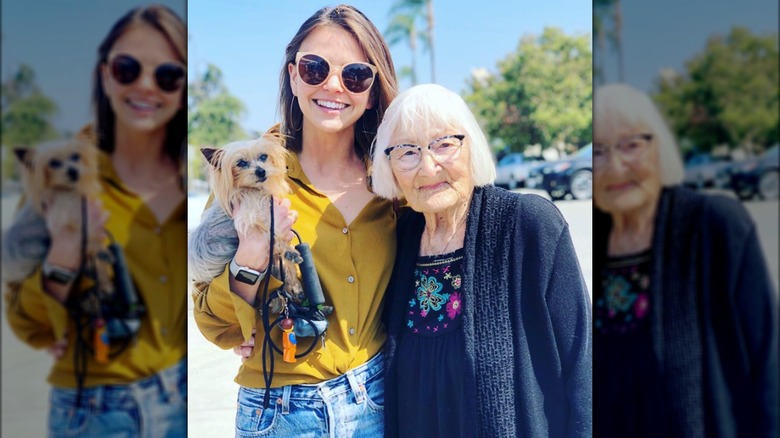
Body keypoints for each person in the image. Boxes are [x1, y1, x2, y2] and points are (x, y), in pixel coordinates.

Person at [189, 4, 398, 437]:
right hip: (281, 410)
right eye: (315, 67)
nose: (333, 85)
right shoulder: (242, 180)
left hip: (383, 397)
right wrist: (250, 259)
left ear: (374, 89)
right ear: (293, 76)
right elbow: (215, 323)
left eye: (355, 74)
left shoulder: (396, 176)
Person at [2, 4, 188, 437]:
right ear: (105, 74)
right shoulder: (60, 176)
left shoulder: (193, 175)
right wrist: (62, 260)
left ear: (181, 87)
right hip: (96, 406)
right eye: (127, 69)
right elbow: (29, 319)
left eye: (167, 75)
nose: (146, 86)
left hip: (182, 395)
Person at [370, 83, 592, 437]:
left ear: (471, 147)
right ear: (390, 166)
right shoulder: (398, 239)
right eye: (407, 152)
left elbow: (583, 363)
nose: (427, 167)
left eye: (444, 144)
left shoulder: (529, 225)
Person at [592, 83, 778, 437]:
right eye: (598, 152)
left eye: (631, 145)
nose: (615, 166)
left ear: (659, 148)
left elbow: (768, 361)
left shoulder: (716, 226)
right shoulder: (594, 236)